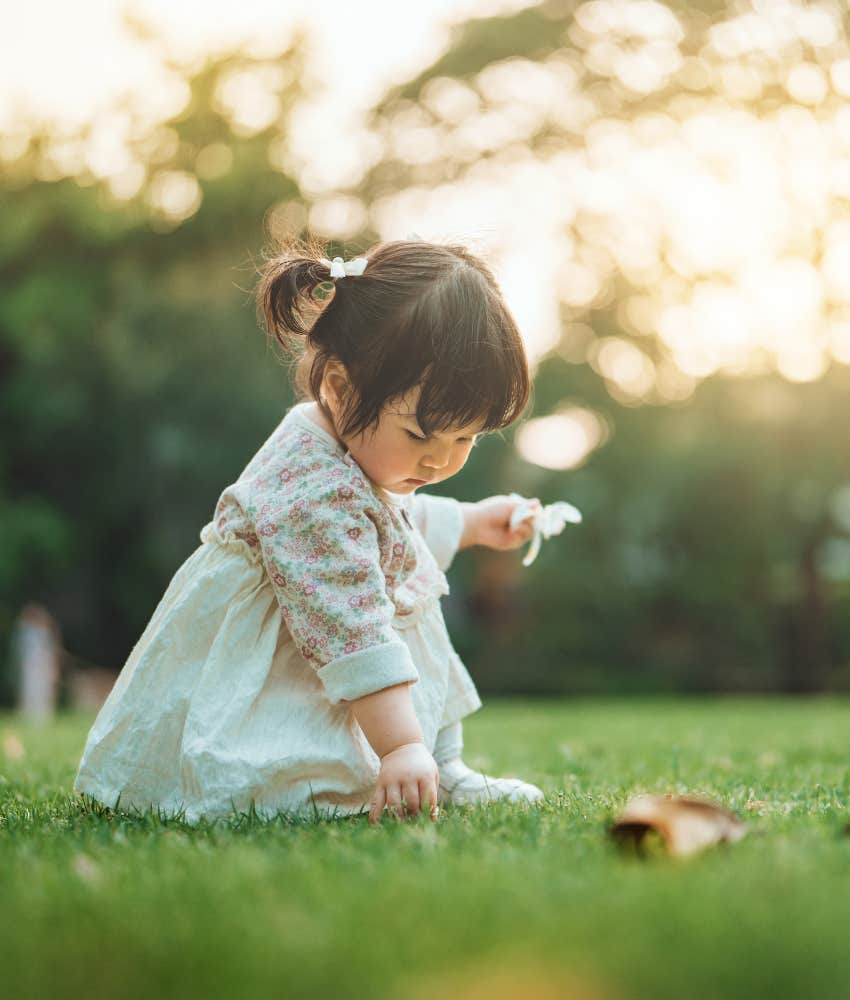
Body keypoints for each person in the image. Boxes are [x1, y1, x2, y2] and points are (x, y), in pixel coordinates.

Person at [73, 235, 545, 825]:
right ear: (341, 388)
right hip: (302, 645)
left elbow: (384, 523)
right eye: (421, 436)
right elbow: (351, 630)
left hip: (332, 623)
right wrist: (398, 745)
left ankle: (438, 766)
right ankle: (400, 761)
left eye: (465, 438)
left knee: (411, 607)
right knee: (289, 751)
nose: (441, 462)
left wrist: (473, 523)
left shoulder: (344, 444)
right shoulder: (313, 493)